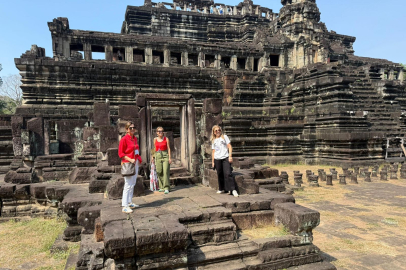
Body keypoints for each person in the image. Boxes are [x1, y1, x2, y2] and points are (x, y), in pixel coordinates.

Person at [118, 122, 142, 213]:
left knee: (133, 183)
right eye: (130, 128)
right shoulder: (124, 139)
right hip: (128, 163)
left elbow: (136, 150)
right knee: (128, 184)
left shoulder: (135, 138)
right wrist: (130, 159)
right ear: (127, 129)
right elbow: (121, 154)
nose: (132, 129)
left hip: (135, 162)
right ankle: (124, 205)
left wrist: (138, 159)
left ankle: (129, 201)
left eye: (134, 127)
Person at [211, 125, 239, 197]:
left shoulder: (224, 137)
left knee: (228, 173)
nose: (218, 132)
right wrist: (213, 161)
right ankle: (221, 188)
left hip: (225, 157)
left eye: (219, 130)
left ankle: (233, 189)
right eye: (216, 131)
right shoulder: (213, 140)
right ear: (214, 132)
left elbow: (229, 146)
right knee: (219, 174)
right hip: (217, 158)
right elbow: (213, 151)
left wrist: (230, 156)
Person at [152, 127, 172, 194]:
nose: (161, 132)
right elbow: (154, 148)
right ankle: (161, 186)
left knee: (165, 171)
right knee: (159, 171)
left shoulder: (166, 139)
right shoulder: (155, 139)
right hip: (158, 155)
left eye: (162, 131)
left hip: (165, 155)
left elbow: (169, 148)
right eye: (159, 131)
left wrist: (170, 158)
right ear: (157, 132)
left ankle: (166, 187)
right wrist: (153, 156)